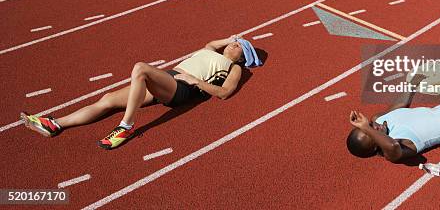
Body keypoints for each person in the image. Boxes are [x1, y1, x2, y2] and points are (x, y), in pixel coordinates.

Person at [21, 36, 262, 150]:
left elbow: (224, 93)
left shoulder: (234, 68)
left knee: (140, 68)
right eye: (234, 40)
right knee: (107, 100)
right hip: (167, 78)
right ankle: (55, 124)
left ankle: (126, 126)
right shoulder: (211, 49)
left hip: (182, 88)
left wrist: (194, 80)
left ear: (243, 56)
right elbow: (213, 42)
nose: (233, 43)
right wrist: (231, 38)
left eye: (239, 45)